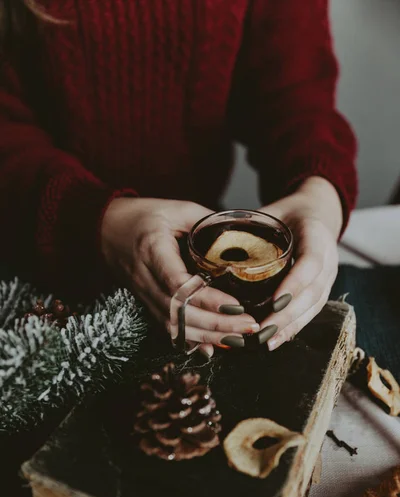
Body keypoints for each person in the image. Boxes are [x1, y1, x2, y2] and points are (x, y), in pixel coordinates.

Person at [0, 0, 357, 358]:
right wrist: (96, 219)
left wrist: (319, 197)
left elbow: (296, 99)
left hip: (202, 282)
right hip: (29, 293)